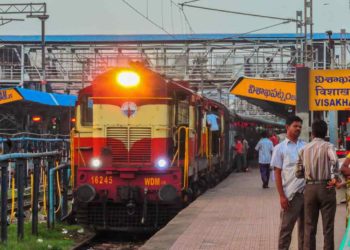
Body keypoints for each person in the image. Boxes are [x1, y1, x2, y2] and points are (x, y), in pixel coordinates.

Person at [296, 120, 339, 250]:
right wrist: (334, 178)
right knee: (328, 227)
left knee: (309, 226)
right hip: (326, 187)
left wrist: (306, 174)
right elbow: (335, 160)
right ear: (325, 133)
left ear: (312, 133)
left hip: (309, 189)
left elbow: (298, 172)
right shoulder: (328, 146)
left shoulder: (304, 149)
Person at [270, 115, 306, 250]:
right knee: (286, 229)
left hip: (306, 193)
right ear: (287, 127)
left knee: (306, 229)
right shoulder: (279, 148)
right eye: (295, 126)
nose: (298, 129)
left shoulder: (305, 146)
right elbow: (277, 174)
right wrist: (281, 196)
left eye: (300, 127)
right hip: (291, 196)